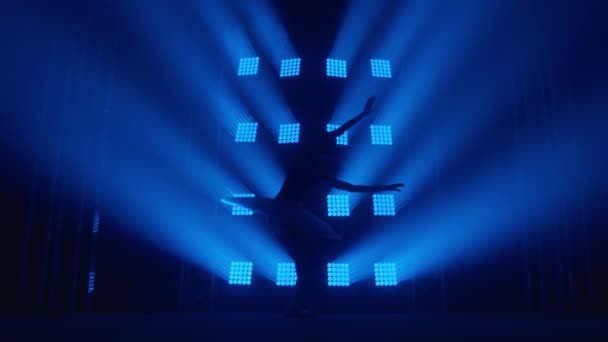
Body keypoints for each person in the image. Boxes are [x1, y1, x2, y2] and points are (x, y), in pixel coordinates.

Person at [224, 96, 404, 317]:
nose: (328, 154)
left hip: (289, 213)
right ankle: (298, 307)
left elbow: (351, 185)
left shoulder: (316, 169)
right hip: (283, 213)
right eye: (325, 151)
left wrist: (384, 187)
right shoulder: (309, 164)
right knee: (305, 261)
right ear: (319, 152)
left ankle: (301, 306)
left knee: (308, 262)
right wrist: (361, 116)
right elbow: (336, 143)